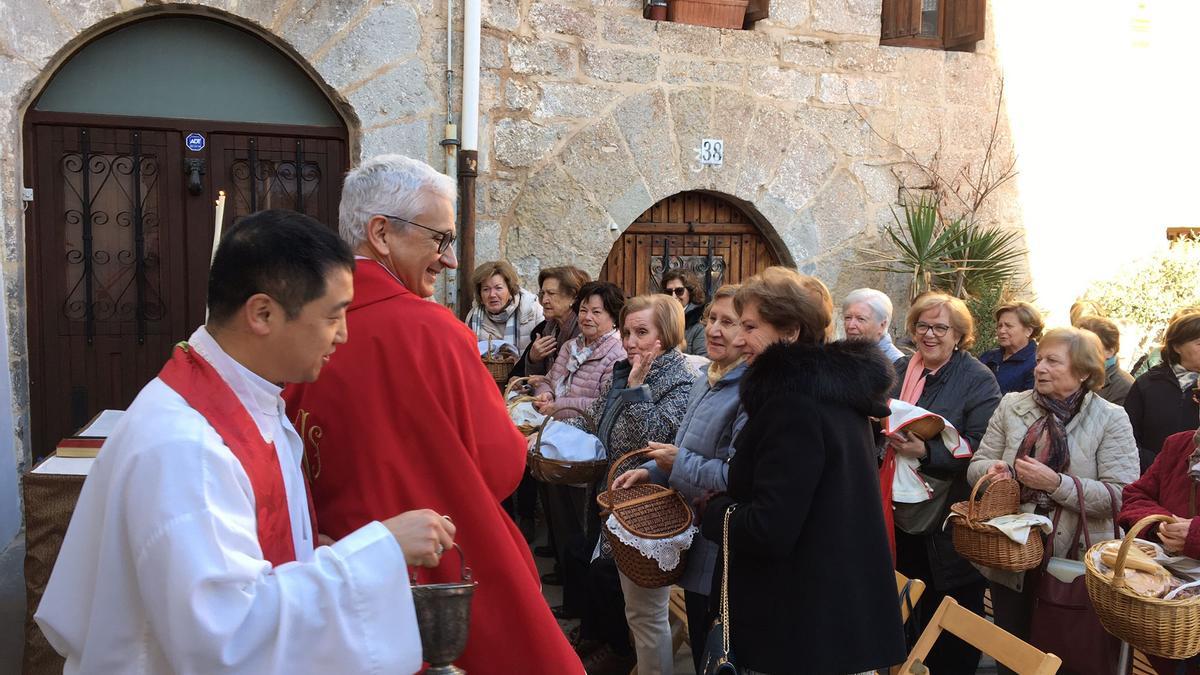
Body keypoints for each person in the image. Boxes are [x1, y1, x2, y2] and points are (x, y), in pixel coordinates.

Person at [35, 209, 457, 674]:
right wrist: (380, 549)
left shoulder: (247, 397)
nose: (343, 335)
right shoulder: (186, 448)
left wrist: (310, 551)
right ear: (262, 313)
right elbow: (227, 639)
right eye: (333, 316)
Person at [282, 155, 583, 673]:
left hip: (333, 580)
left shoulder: (300, 329)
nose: (448, 261)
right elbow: (500, 467)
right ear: (381, 233)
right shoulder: (434, 332)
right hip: (436, 577)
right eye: (440, 239)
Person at [700, 267, 906, 674]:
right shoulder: (828, 393)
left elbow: (770, 529)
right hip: (828, 617)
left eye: (751, 327)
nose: (738, 340)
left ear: (791, 331)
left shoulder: (793, 405)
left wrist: (715, 511)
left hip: (799, 628)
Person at [968, 328, 1139, 671]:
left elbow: (1121, 496)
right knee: (1012, 652)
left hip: (1073, 561)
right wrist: (994, 470)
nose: (1040, 368)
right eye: (1040, 359)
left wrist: (1056, 484)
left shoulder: (1109, 417)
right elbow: (976, 467)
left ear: (1084, 372)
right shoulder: (1012, 405)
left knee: (1066, 653)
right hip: (1012, 552)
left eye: (1053, 361)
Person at [611, 284, 747, 673]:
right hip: (680, 520)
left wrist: (669, 460)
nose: (716, 330)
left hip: (708, 529)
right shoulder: (709, 377)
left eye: (730, 322)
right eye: (712, 319)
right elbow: (679, 447)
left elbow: (732, 473)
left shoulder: (738, 389)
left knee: (707, 638)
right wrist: (650, 469)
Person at [566, 294, 694, 674]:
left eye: (642, 332)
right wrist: (557, 430)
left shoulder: (680, 380)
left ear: (666, 335)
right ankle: (608, 641)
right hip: (610, 493)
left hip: (646, 505)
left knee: (625, 590)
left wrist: (638, 392)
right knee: (592, 565)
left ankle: (622, 652)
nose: (631, 342)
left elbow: (654, 443)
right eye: (627, 332)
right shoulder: (623, 370)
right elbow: (596, 419)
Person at [883, 292, 1001, 674]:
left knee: (951, 619)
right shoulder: (901, 369)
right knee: (906, 611)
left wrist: (925, 451)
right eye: (922, 326)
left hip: (946, 523)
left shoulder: (977, 379)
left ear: (959, 335)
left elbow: (983, 446)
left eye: (940, 327)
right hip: (898, 509)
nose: (929, 335)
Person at [1119, 421, 1200, 675]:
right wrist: (1161, 526)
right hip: (1170, 610)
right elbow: (1135, 496)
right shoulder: (1178, 444)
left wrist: (1194, 535)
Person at [532, 281, 626, 418]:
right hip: (553, 422)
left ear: (613, 317)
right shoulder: (570, 347)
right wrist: (545, 395)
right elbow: (547, 381)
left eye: (596, 312)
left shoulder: (617, 354)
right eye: (583, 311)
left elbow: (605, 405)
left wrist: (557, 407)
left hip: (587, 432)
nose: (587, 317)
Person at [1125, 308, 1200, 472]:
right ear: (1176, 347)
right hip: (1150, 476)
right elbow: (1127, 436)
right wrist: (1158, 465)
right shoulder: (1148, 384)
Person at [511, 265, 590, 379]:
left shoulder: (583, 330)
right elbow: (535, 379)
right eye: (542, 293)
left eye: (551, 294)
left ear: (573, 297)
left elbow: (580, 382)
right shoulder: (548, 329)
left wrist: (546, 383)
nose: (544, 300)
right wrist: (533, 359)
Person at [465, 259, 544, 353]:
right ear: (480, 294)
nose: (492, 295)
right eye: (486, 289)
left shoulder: (532, 310)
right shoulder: (473, 317)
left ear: (510, 290)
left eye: (498, 288)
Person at [979, 300, 1044, 394]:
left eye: (1008, 326)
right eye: (999, 326)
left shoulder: (1036, 364)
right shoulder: (989, 356)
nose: (1001, 331)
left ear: (1028, 331)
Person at [1076, 315, 1135, 405]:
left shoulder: (1125, 388)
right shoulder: (1068, 372)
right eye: (1076, 343)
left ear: (1109, 352)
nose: (1077, 350)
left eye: (1087, 346)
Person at [842, 287, 904, 361]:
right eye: (848, 318)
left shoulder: (896, 363)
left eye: (860, 319)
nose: (850, 326)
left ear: (882, 325)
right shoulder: (839, 356)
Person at [662, 269, 708, 356]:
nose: (673, 296)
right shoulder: (659, 319)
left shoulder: (700, 322)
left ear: (690, 292)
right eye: (668, 292)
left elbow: (703, 362)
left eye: (679, 291)